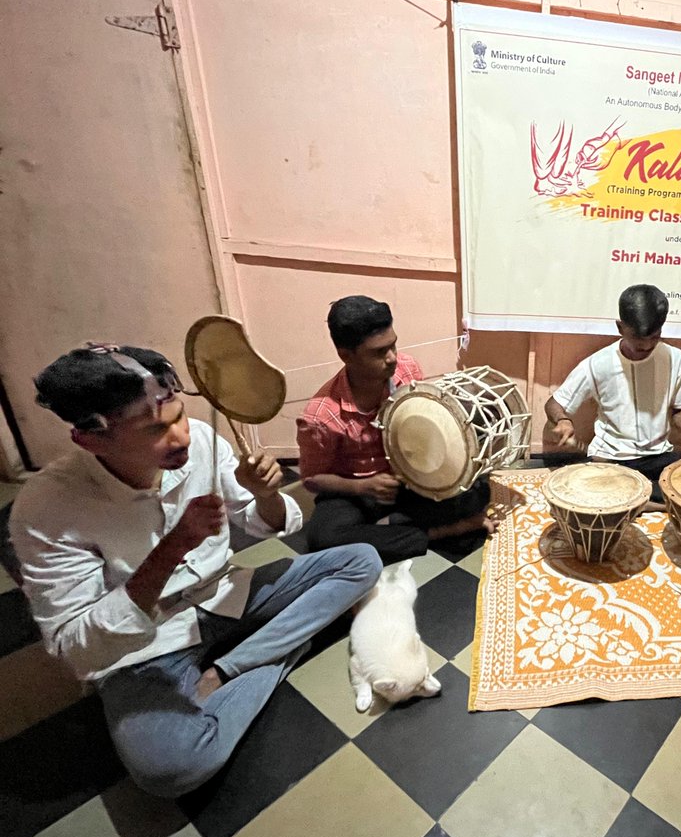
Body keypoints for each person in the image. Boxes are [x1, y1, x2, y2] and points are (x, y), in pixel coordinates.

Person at [11, 345, 381, 798]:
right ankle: (281, 648)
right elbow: (76, 648)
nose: (181, 437)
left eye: (178, 416)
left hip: (225, 593)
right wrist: (170, 551)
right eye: (154, 429)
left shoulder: (202, 441)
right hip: (146, 647)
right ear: (91, 439)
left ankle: (231, 667)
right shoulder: (47, 506)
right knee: (171, 769)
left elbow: (259, 520)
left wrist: (265, 494)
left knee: (361, 560)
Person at [298, 296, 492, 564]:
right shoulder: (320, 416)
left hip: (411, 478)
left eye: (393, 346)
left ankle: (391, 526)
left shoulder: (407, 370)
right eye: (378, 352)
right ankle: (441, 532)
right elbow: (312, 479)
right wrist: (363, 487)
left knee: (478, 489)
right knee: (323, 538)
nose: (392, 359)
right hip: (355, 492)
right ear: (346, 355)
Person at [544, 284, 681, 503]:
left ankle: (640, 504)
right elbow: (553, 404)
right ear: (620, 327)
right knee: (589, 495)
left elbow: (680, 411)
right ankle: (643, 503)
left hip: (658, 458)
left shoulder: (676, 359)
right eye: (638, 340)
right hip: (611, 459)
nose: (647, 346)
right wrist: (563, 421)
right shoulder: (599, 364)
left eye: (654, 337)